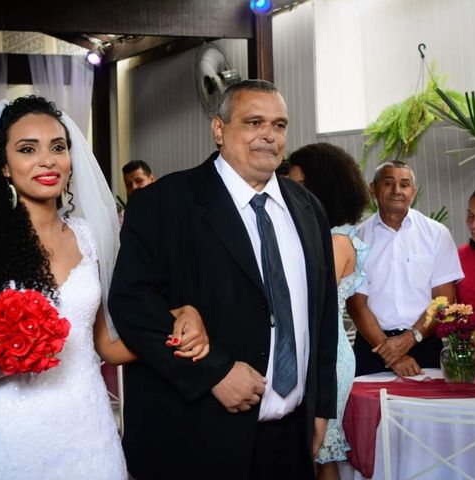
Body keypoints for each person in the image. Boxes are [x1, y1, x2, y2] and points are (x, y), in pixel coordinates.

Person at [0, 96, 208, 479]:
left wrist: (177, 320)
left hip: (88, 430)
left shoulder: (88, 239)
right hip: (11, 434)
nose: (47, 160)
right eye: (28, 149)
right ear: (3, 166)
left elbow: (108, 347)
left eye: (58, 147)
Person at [109, 80, 338, 479]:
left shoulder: (307, 207)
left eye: (279, 125)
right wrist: (213, 371)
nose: (270, 135)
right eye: (254, 122)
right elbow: (132, 303)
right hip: (196, 436)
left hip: (290, 437)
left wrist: (321, 408)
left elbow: (323, 315)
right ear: (219, 129)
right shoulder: (164, 203)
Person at [288, 143, 370, 480]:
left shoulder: (336, 240)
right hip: (314, 350)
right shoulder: (325, 235)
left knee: (320, 453)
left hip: (326, 356)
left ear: (318, 188)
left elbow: (311, 297)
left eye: (297, 185)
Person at [347, 161, 464, 377]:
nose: (397, 191)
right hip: (373, 348)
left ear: (413, 191)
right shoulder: (356, 238)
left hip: (424, 344)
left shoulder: (436, 234)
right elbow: (356, 304)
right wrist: (391, 351)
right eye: (389, 183)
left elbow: (444, 300)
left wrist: (411, 338)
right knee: (370, 410)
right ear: (373, 189)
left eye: (404, 184)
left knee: (427, 410)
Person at [457, 187, 475, 353]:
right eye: (470, 216)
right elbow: (450, 307)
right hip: (467, 353)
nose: (474, 224)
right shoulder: (459, 256)